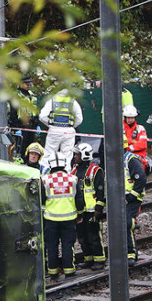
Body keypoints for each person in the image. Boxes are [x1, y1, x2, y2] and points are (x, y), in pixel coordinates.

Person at [41, 152, 83, 280]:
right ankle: (69, 270)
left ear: (50, 164)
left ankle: (53, 272)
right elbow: (79, 200)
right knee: (68, 245)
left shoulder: (44, 180)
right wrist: (80, 214)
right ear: (65, 163)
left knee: (52, 246)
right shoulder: (73, 179)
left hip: (50, 219)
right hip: (69, 219)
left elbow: (41, 200)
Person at [71, 143, 106, 271]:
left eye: (77, 154)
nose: (75, 156)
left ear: (84, 155)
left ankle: (99, 260)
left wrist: (99, 208)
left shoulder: (95, 171)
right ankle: (88, 259)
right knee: (82, 237)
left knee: (94, 236)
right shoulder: (74, 170)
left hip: (92, 211)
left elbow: (101, 191)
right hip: (80, 211)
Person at [38, 89, 83, 171]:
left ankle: (45, 174)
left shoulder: (52, 100)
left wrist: (50, 124)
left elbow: (42, 116)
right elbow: (79, 119)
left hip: (54, 130)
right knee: (67, 156)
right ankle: (66, 175)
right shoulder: (73, 102)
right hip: (69, 131)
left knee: (49, 154)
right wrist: (71, 126)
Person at [123, 135, 147, 267]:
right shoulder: (113, 159)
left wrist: (131, 196)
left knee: (127, 223)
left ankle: (131, 254)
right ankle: (122, 253)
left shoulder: (130, 159)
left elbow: (141, 178)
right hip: (120, 198)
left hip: (131, 198)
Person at [9, 76, 39, 162]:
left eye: (30, 84)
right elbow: (13, 112)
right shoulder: (16, 95)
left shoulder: (31, 95)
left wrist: (37, 124)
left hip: (31, 125)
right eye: (26, 84)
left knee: (30, 148)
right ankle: (19, 162)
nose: (28, 85)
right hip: (21, 125)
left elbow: (35, 110)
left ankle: (28, 163)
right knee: (20, 148)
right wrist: (16, 126)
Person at [122, 104, 149, 170]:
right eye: (128, 117)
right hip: (123, 159)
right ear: (125, 117)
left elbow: (143, 144)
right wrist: (132, 142)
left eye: (132, 117)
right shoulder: (120, 128)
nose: (130, 120)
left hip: (139, 160)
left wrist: (127, 148)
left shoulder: (140, 128)